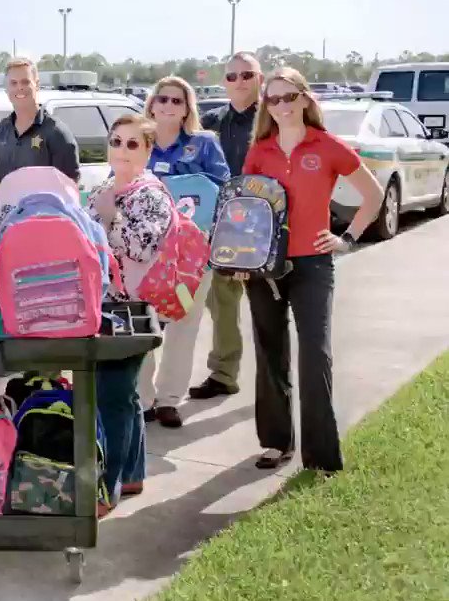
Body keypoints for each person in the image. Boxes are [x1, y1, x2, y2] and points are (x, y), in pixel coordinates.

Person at [242, 68, 383, 472]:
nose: (282, 106)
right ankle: (275, 442)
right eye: (274, 99)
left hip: (313, 266)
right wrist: (241, 258)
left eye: (290, 97)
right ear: (266, 106)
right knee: (270, 354)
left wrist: (348, 238)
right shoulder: (260, 151)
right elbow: (245, 213)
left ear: (305, 99)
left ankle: (320, 456)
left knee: (314, 355)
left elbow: (372, 195)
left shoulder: (327, 146)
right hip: (264, 266)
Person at [85, 113, 174, 513]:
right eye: (116, 141)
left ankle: (110, 484)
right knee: (124, 394)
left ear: (149, 150)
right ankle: (134, 474)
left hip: (133, 307)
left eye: (132, 144)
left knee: (113, 394)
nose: (121, 150)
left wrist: (108, 217)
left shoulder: (151, 194)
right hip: (104, 303)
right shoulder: (104, 187)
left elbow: (143, 247)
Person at [137, 76, 231, 428]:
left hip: (191, 254)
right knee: (141, 322)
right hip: (145, 253)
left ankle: (169, 399)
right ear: (151, 103)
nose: (168, 106)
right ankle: (142, 398)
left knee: (184, 322)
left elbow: (224, 189)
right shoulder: (139, 142)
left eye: (177, 101)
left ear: (187, 107)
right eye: (162, 99)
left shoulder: (204, 145)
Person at [191, 52, 263, 402]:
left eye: (247, 74)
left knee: (268, 306)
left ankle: (273, 378)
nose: (239, 81)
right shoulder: (210, 122)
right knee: (222, 303)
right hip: (222, 225)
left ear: (259, 79)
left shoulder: (272, 120)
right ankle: (224, 374)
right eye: (232, 76)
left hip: (264, 225)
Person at [0, 57, 79, 212]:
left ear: (37, 85)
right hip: (6, 226)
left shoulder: (57, 133)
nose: (19, 88)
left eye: (25, 82)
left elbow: (69, 191)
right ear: (6, 89)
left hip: (44, 223)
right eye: (13, 83)